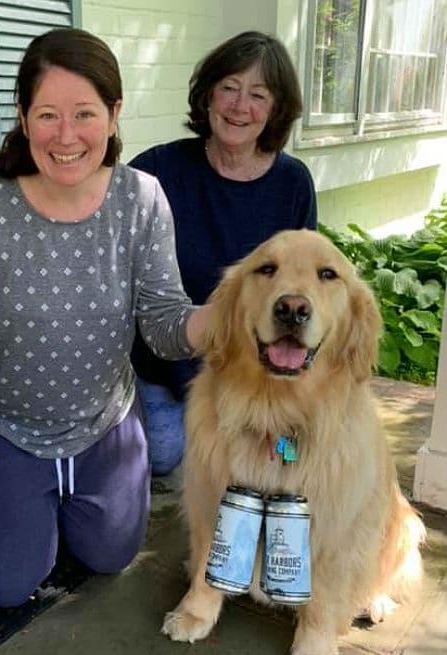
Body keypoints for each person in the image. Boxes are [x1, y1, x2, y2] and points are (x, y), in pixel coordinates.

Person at [0, 27, 207, 607]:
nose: (66, 136)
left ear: (114, 113)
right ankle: (27, 504)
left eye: (84, 114)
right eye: (47, 115)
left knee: (111, 558)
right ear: (22, 117)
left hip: (102, 421)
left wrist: (220, 320)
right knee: (4, 586)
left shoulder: (141, 198)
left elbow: (166, 323)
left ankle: (65, 500)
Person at [129, 30, 317, 476]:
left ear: (275, 109)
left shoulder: (293, 183)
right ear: (208, 95)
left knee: (285, 459)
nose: (239, 106)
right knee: (165, 455)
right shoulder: (156, 171)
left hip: (256, 369)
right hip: (169, 368)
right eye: (229, 88)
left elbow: (304, 288)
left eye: (258, 94)